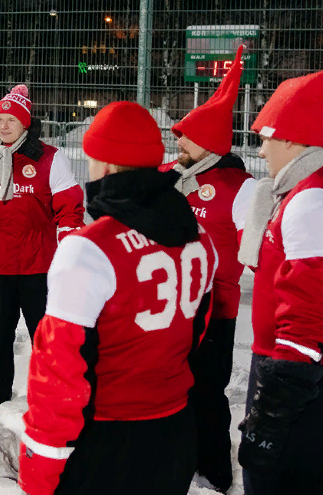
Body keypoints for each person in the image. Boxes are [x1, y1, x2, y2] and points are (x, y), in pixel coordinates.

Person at [19, 101, 218, 495]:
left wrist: (39, 470)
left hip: (108, 439)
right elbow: (199, 328)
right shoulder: (197, 233)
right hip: (175, 430)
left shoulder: (88, 249)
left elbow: (58, 375)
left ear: (106, 167)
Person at [159, 46, 255, 493]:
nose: (178, 141)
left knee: (208, 393)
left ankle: (215, 472)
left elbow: (256, 251)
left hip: (216, 309)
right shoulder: (167, 174)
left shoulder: (240, 188)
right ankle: (176, 465)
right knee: (169, 391)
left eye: (187, 137)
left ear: (212, 145)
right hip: (166, 305)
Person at [0, 84, 85, 405]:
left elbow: (70, 210)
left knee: (47, 338)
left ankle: (53, 397)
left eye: (11, 119)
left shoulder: (50, 159)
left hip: (39, 268)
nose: (4, 124)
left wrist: (70, 256)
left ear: (26, 123)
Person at [236, 70, 323, 494]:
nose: (261, 147)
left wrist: (275, 404)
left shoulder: (310, 199)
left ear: (292, 138)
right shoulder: (292, 191)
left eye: (266, 136)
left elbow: (310, 303)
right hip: (284, 361)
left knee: (278, 477)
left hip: (294, 370)